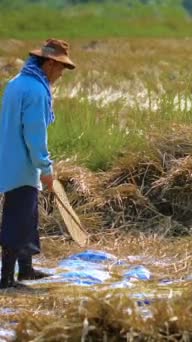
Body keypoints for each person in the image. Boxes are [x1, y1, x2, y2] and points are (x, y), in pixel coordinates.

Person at [0, 39, 76, 289]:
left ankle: (27, 270)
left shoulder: (17, 83)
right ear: (50, 63)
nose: (62, 74)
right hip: (24, 164)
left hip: (9, 159)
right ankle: (7, 278)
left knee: (28, 216)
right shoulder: (35, 90)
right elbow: (34, 133)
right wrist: (45, 168)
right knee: (18, 219)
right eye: (61, 68)